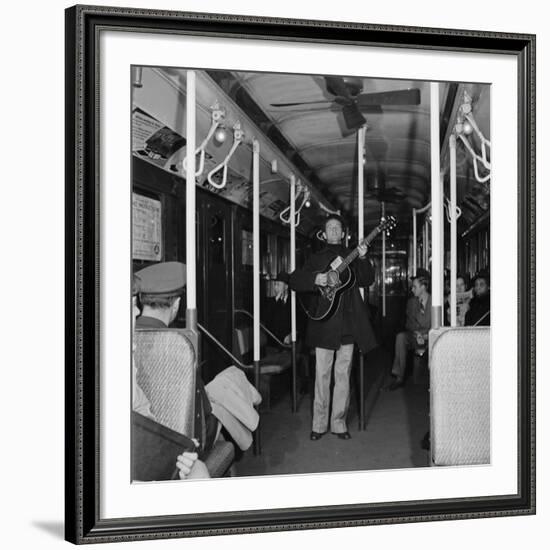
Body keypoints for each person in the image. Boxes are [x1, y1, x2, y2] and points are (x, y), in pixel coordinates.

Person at [289, 214, 377, 441]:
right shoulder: (316, 258)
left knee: (343, 376)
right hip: (324, 324)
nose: (335, 231)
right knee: (322, 376)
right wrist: (316, 279)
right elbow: (295, 280)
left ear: (343, 233)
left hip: (348, 325)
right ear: (324, 234)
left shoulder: (353, 255)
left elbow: (367, 280)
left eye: (338, 227)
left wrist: (365, 258)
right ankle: (318, 424)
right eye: (330, 228)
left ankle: (338, 423)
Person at [131, 273, 209, 479]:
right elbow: (200, 418)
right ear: (177, 304)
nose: (136, 311)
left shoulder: (131, 340)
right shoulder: (180, 348)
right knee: (230, 385)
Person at [386, 270, 431, 391]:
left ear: (423, 287)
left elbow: (437, 325)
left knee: (418, 382)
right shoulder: (411, 302)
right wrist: (417, 333)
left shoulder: (434, 302)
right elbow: (409, 324)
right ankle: (399, 377)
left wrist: (426, 335)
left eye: (415, 287)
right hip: (415, 335)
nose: (412, 290)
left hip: (430, 336)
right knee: (400, 337)